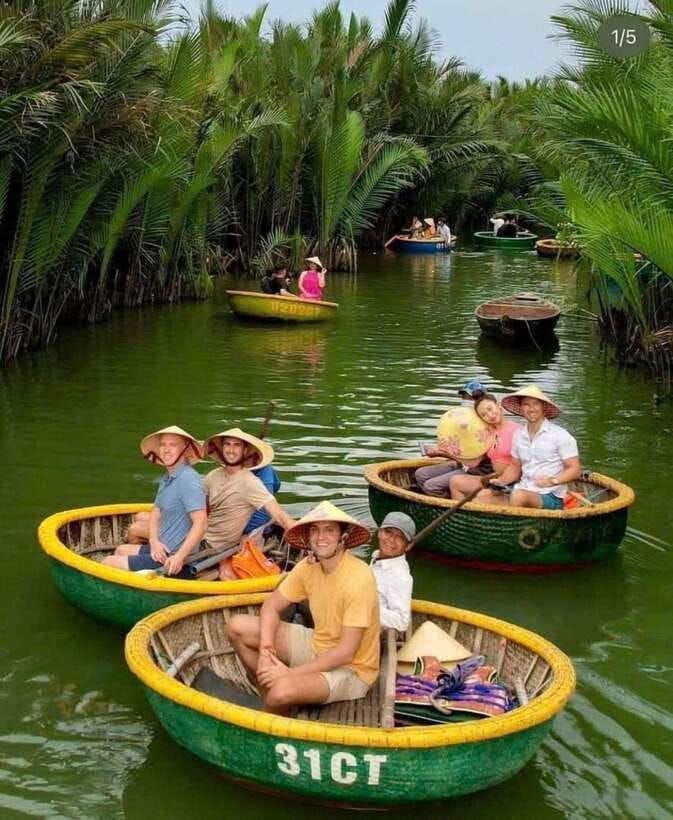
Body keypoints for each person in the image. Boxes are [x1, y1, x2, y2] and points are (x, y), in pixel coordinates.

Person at [227, 501, 379, 713]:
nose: (320, 537)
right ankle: (271, 697)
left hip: (352, 669)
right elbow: (271, 606)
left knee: (280, 690)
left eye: (329, 530)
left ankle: (277, 701)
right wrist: (266, 651)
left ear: (343, 538)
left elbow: (346, 653)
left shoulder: (359, 578)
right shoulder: (307, 567)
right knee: (237, 626)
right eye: (315, 530)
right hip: (317, 644)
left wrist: (289, 674)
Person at [103, 426, 207, 577]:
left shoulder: (188, 479)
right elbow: (156, 513)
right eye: (163, 444)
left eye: (173, 445)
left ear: (184, 449)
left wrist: (179, 557)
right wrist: (154, 542)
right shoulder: (167, 477)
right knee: (120, 550)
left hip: (176, 560)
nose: (166, 449)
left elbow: (201, 523)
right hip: (162, 549)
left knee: (107, 562)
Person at [475, 385, 581, 509]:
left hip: (550, 495)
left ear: (543, 407)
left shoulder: (560, 435)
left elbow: (575, 470)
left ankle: (517, 526)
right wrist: (501, 481)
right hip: (522, 489)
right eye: (526, 404)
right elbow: (515, 467)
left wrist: (553, 480)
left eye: (536, 404)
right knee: (480, 497)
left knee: (518, 496)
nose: (531, 409)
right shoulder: (519, 435)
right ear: (521, 408)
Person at [202, 428, 295, 549]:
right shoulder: (212, 476)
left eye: (237, 445)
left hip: (212, 548)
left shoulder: (250, 482)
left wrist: (301, 536)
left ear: (245, 450)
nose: (231, 450)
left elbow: (278, 514)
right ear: (221, 448)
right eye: (227, 444)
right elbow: (200, 511)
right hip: (199, 538)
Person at [415, 381, 492, 497]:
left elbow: (473, 461)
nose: (466, 401)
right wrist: (442, 447)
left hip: (477, 471)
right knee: (420, 474)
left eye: (471, 398)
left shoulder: (485, 426)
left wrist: (443, 453)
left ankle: (448, 504)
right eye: (464, 397)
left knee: (431, 486)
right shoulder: (464, 423)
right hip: (461, 464)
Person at [449, 394, 520, 500]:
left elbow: (520, 467)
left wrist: (501, 481)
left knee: (479, 497)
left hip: (509, 482)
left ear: (498, 405)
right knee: (455, 481)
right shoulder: (489, 432)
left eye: (490, 409)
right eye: (484, 415)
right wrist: (448, 450)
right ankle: (461, 515)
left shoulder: (517, 431)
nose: (490, 415)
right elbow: (473, 461)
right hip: (492, 479)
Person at [370, 512, 415, 632]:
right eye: (388, 532)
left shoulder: (400, 577)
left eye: (400, 537)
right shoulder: (377, 557)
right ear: (379, 532)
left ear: (408, 546)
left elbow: (402, 622)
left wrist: (366, 606)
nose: (391, 540)